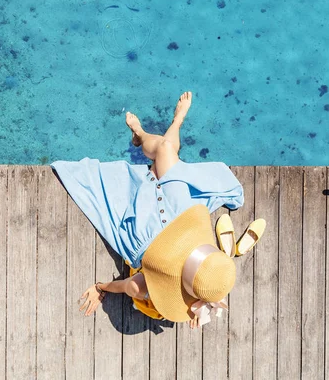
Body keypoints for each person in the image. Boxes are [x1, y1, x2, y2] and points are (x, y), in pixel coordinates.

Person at [51, 92, 245, 329]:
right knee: (165, 148)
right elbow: (210, 277)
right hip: (184, 222)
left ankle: (144, 133)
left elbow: (128, 287)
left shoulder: (151, 282)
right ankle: (169, 124)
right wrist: (101, 286)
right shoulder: (207, 274)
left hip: (148, 234)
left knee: (163, 153)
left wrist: (102, 288)